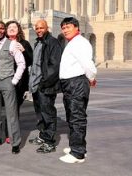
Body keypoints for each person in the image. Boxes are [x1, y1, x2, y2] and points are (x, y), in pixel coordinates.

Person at [58, 16, 97, 164]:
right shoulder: (73, 43)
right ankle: (78, 146)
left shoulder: (80, 43)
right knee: (72, 116)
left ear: (76, 28)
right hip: (70, 84)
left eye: (68, 27)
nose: (65, 30)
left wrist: (92, 77)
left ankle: (78, 153)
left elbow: (87, 63)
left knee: (77, 117)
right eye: (63, 28)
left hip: (76, 83)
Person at [0, 21, 25, 154]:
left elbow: (21, 63)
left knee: (11, 114)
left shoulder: (13, 44)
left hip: (7, 80)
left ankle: (15, 142)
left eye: (1, 28)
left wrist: (14, 81)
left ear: (4, 30)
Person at [28, 19, 62, 153]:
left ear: (47, 28)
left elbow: (54, 66)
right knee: (40, 114)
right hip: (37, 86)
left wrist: (44, 83)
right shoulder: (38, 43)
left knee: (48, 114)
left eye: (41, 28)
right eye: (37, 28)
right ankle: (43, 136)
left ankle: (50, 142)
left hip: (45, 86)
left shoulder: (52, 42)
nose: (39, 30)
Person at [5, 20, 33, 110]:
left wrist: (24, 51)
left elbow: (30, 61)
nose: (12, 29)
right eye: (9, 27)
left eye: (14, 27)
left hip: (19, 81)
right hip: (4, 78)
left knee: (15, 106)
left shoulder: (24, 43)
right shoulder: (2, 43)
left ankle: (12, 124)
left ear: (18, 30)